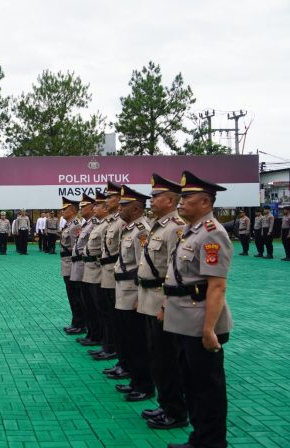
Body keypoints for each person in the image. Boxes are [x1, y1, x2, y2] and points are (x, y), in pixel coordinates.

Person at [163, 170, 233, 448]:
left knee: (207, 389)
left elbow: (217, 286)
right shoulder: (191, 231)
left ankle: (212, 442)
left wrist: (209, 329)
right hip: (184, 320)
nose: (180, 202)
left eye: (187, 198)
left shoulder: (212, 234)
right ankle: (199, 439)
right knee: (191, 384)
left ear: (205, 202)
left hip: (200, 322)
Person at [136, 174, 187, 429]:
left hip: (161, 300)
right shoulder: (158, 226)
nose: (151, 200)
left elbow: (175, 271)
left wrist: (167, 304)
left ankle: (175, 411)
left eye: (156, 196)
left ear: (170, 200)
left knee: (167, 359)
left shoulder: (175, 227)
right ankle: (165, 404)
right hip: (149, 298)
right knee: (156, 356)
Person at [112, 184, 154, 402]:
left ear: (136, 209)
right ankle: (135, 380)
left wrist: (139, 296)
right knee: (128, 338)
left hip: (133, 292)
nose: (119, 208)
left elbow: (142, 266)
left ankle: (144, 386)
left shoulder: (142, 231)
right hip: (123, 290)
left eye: (124, 205)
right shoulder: (130, 229)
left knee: (137, 341)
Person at [100, 181, 126, 371]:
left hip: (118, 277)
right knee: (109, 315)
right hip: (108, 273)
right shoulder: (112, 221)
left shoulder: (122, 223)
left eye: (110, 197)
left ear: (119, 199)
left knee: (117, 319)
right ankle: (111, 348)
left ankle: (114, 350)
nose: (106, 200)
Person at [82, 191, 108, 358]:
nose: (94, 208)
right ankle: (97, 337)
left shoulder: (106, 225)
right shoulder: (98, 224)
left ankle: (106, 343)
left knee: (102, 310)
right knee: (92, 306)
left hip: (99, 271)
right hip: (90, 269)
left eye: (97, 205)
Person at [72, 195, 100, 347]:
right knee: (85, 302)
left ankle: (95, 334)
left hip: (90, 267)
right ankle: (91, 333)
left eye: (84, 207)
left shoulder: (94, 224)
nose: (81, 209)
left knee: (92, 304)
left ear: (91, 208)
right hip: (83, 266)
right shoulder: (86, 224)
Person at [59, 198, 85, 334]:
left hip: (72, 264)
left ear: (73, 211)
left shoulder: (75, 225)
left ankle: (80, 324)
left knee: (75, 296)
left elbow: (77, 248)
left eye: (65, 209)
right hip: (66, 263)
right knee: (72, 295)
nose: (62, 211)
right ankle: (76, 322)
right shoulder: (68, 225)